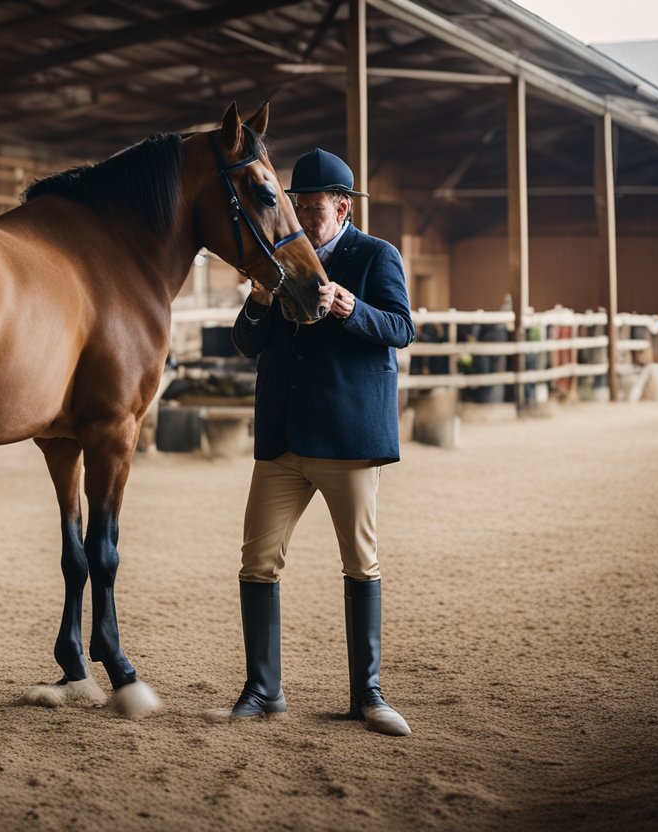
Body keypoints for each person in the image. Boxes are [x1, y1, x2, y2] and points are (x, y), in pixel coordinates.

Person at [220, 148, 416, 736]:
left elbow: (401, 328)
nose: (304, 219)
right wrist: (257, 299)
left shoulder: (376, 256)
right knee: (257, 563)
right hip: (282, 437)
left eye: (314, 210)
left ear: (342, 206)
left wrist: (352, 308)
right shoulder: (282, 255)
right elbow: (246, 345)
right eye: (297, 208)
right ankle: (262, 689)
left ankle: (369, 694)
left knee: (361, 563)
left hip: (348, 436)